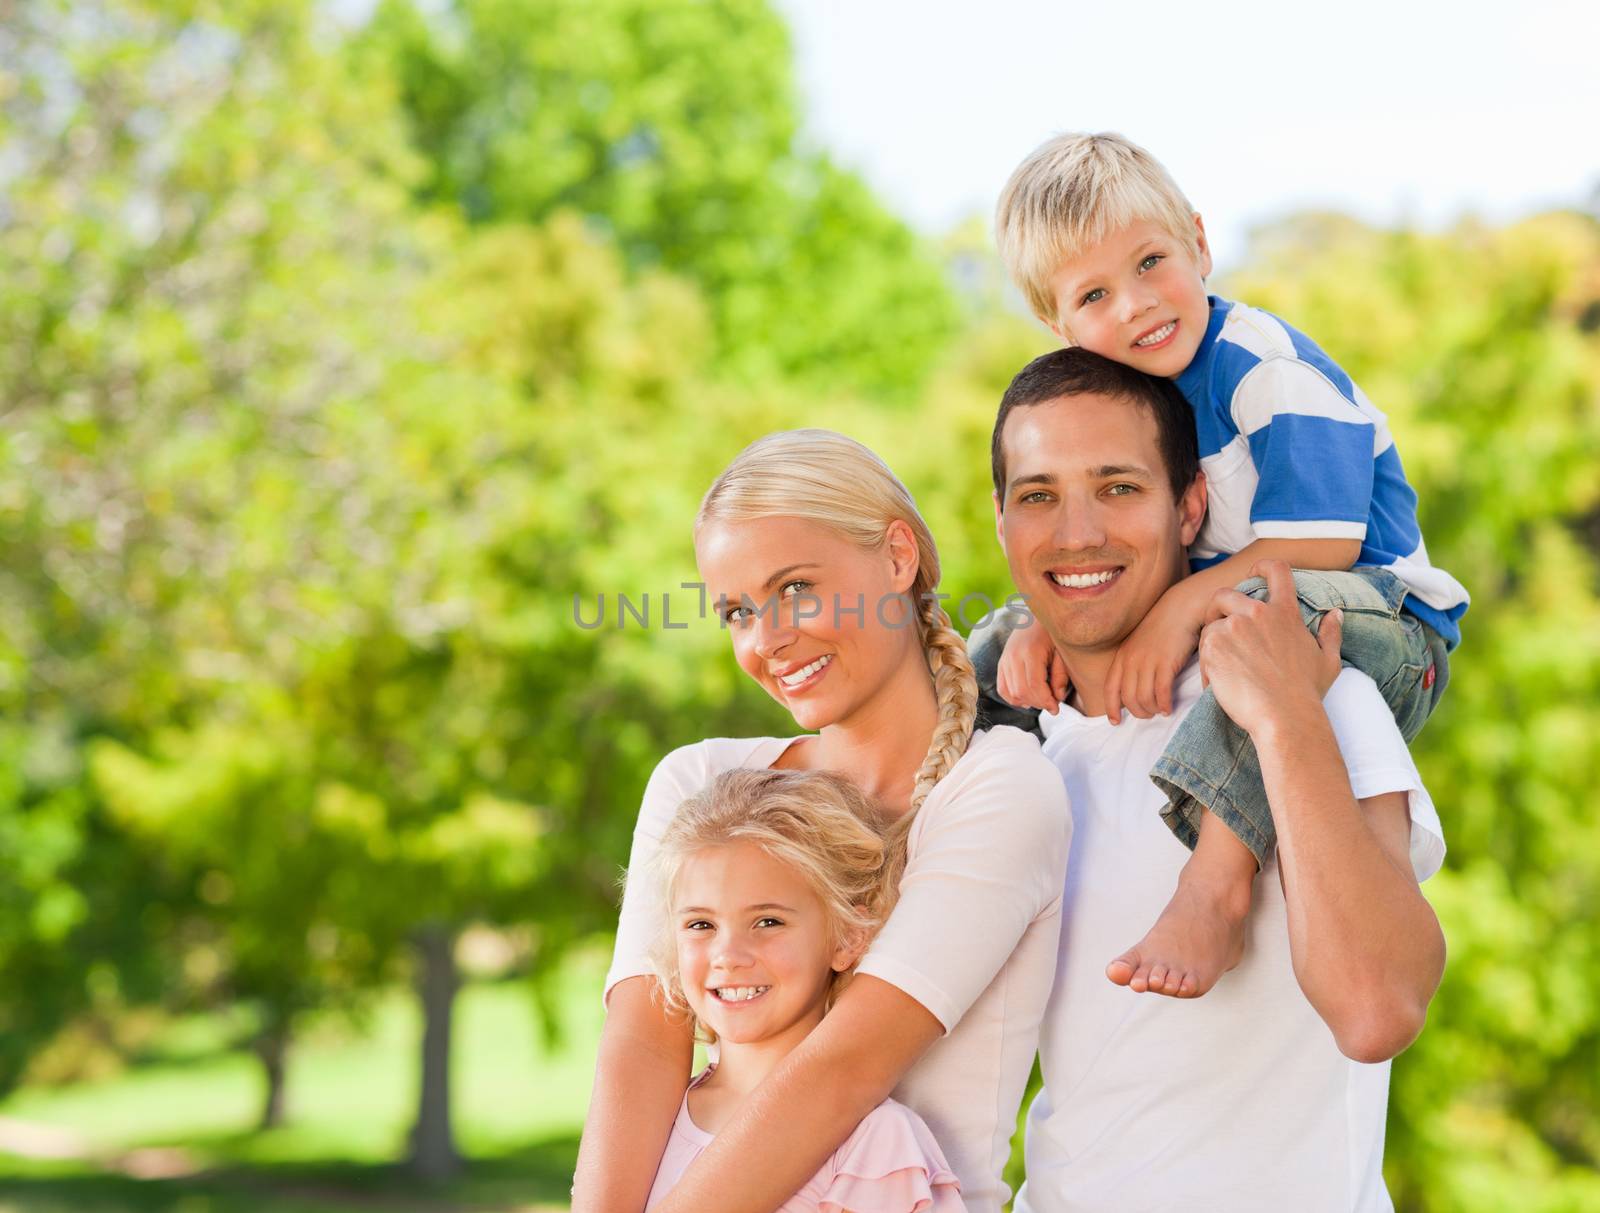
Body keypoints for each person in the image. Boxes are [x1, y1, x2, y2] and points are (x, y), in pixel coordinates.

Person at [978, 131, 1468, 997]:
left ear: (1200, 243)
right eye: (1095, 293)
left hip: (1384, 619)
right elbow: (1131, 554)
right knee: (984, 642)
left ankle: (1217, 879)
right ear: (1060, 326)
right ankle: (925, 812)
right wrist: (1035, 623)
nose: (1135, 305)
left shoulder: (1261, 367)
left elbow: (1323, 547)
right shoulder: (1149, 394)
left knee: (1251, 629)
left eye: (1152, 262)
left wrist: (1177, 611)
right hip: (1278, 593)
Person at [989, 348, 1446, 1209]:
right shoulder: (1011, 760)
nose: (1077, 531)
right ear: (1003, 521)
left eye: (1118, 487)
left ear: (1190, 503)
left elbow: (1378, 1010)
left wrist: (1283, 717)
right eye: (1038, 494)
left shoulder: (1311, 687)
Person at [573, 430, 1070, 1213]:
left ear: (897, 557)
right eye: (738, 610)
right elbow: (642, 1045)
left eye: (797, 588)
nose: (768, 640)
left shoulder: (1001, 788)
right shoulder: (701, 784)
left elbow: (843, 1071)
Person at [639, 766, 965, 1212]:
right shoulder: (651, 1123)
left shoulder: (875, 1145)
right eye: (701, 924)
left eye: (768, 921)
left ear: (849, 936)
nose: (728, 955)